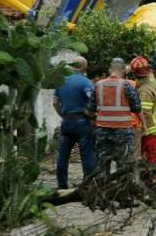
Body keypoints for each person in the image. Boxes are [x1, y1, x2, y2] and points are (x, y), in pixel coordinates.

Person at [93, 57, 142, 179]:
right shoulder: (126, 85)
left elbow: (90, 109)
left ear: (110, 70)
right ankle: (124, 192)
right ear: (124, 71)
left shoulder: (98, 85)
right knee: (124, 165)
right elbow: (137, 107)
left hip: (102, 131)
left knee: (102, 164)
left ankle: (102, 192)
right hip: (123, 131)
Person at [53, 56, 96, 189]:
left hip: (66, 121)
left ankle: (62, 184)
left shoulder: (61, 82)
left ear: (72, 66)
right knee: (87, 154)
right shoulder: (86, 83)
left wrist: (63, 114)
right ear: (85, 67)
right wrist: (92, 115)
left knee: (63, 155)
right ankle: (88, 184)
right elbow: (93, 100)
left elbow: (55, 103)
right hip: (83, 121)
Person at [130, 56, 156, 187]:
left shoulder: (144, 91)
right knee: (151, 154)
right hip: (155, 125)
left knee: (151, 155)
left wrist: (140, 130)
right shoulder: (151, 79)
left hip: (149, 128)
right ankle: (152, 178)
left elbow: (144, 113)